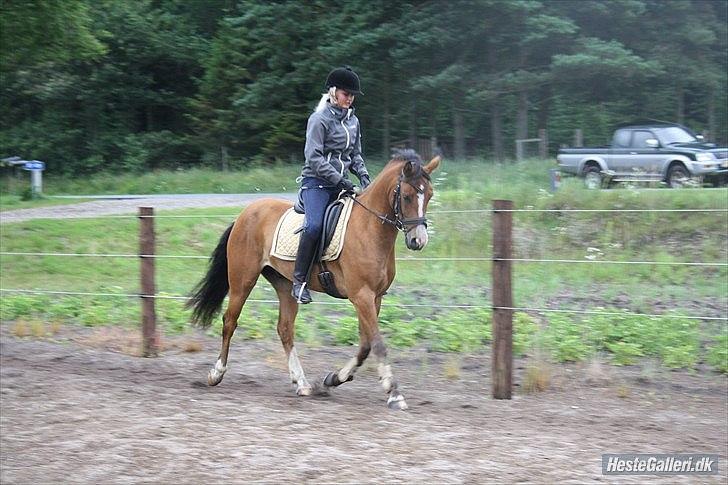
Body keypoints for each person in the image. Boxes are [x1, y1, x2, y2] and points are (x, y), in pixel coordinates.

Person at [291, 66, 371, 304]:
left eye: (352, 95)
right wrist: (341, 180)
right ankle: (299, 281)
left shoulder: (354, 121)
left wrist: (365, 178)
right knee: (314, 226)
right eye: (347, 94)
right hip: (316, 183)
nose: (350, 98)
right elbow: (313, 159)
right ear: (334, 92)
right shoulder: (319, 120)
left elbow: (355, 155)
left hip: (341, 184)